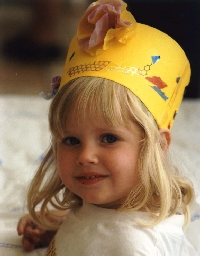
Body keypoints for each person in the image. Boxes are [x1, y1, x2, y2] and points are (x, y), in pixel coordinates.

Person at [17, 0, 197, 255]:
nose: (85, 156)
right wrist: (61, 227)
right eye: (71, 140)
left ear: (157, 144)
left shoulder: (133, 246)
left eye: (109, 138)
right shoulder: (109, 203)